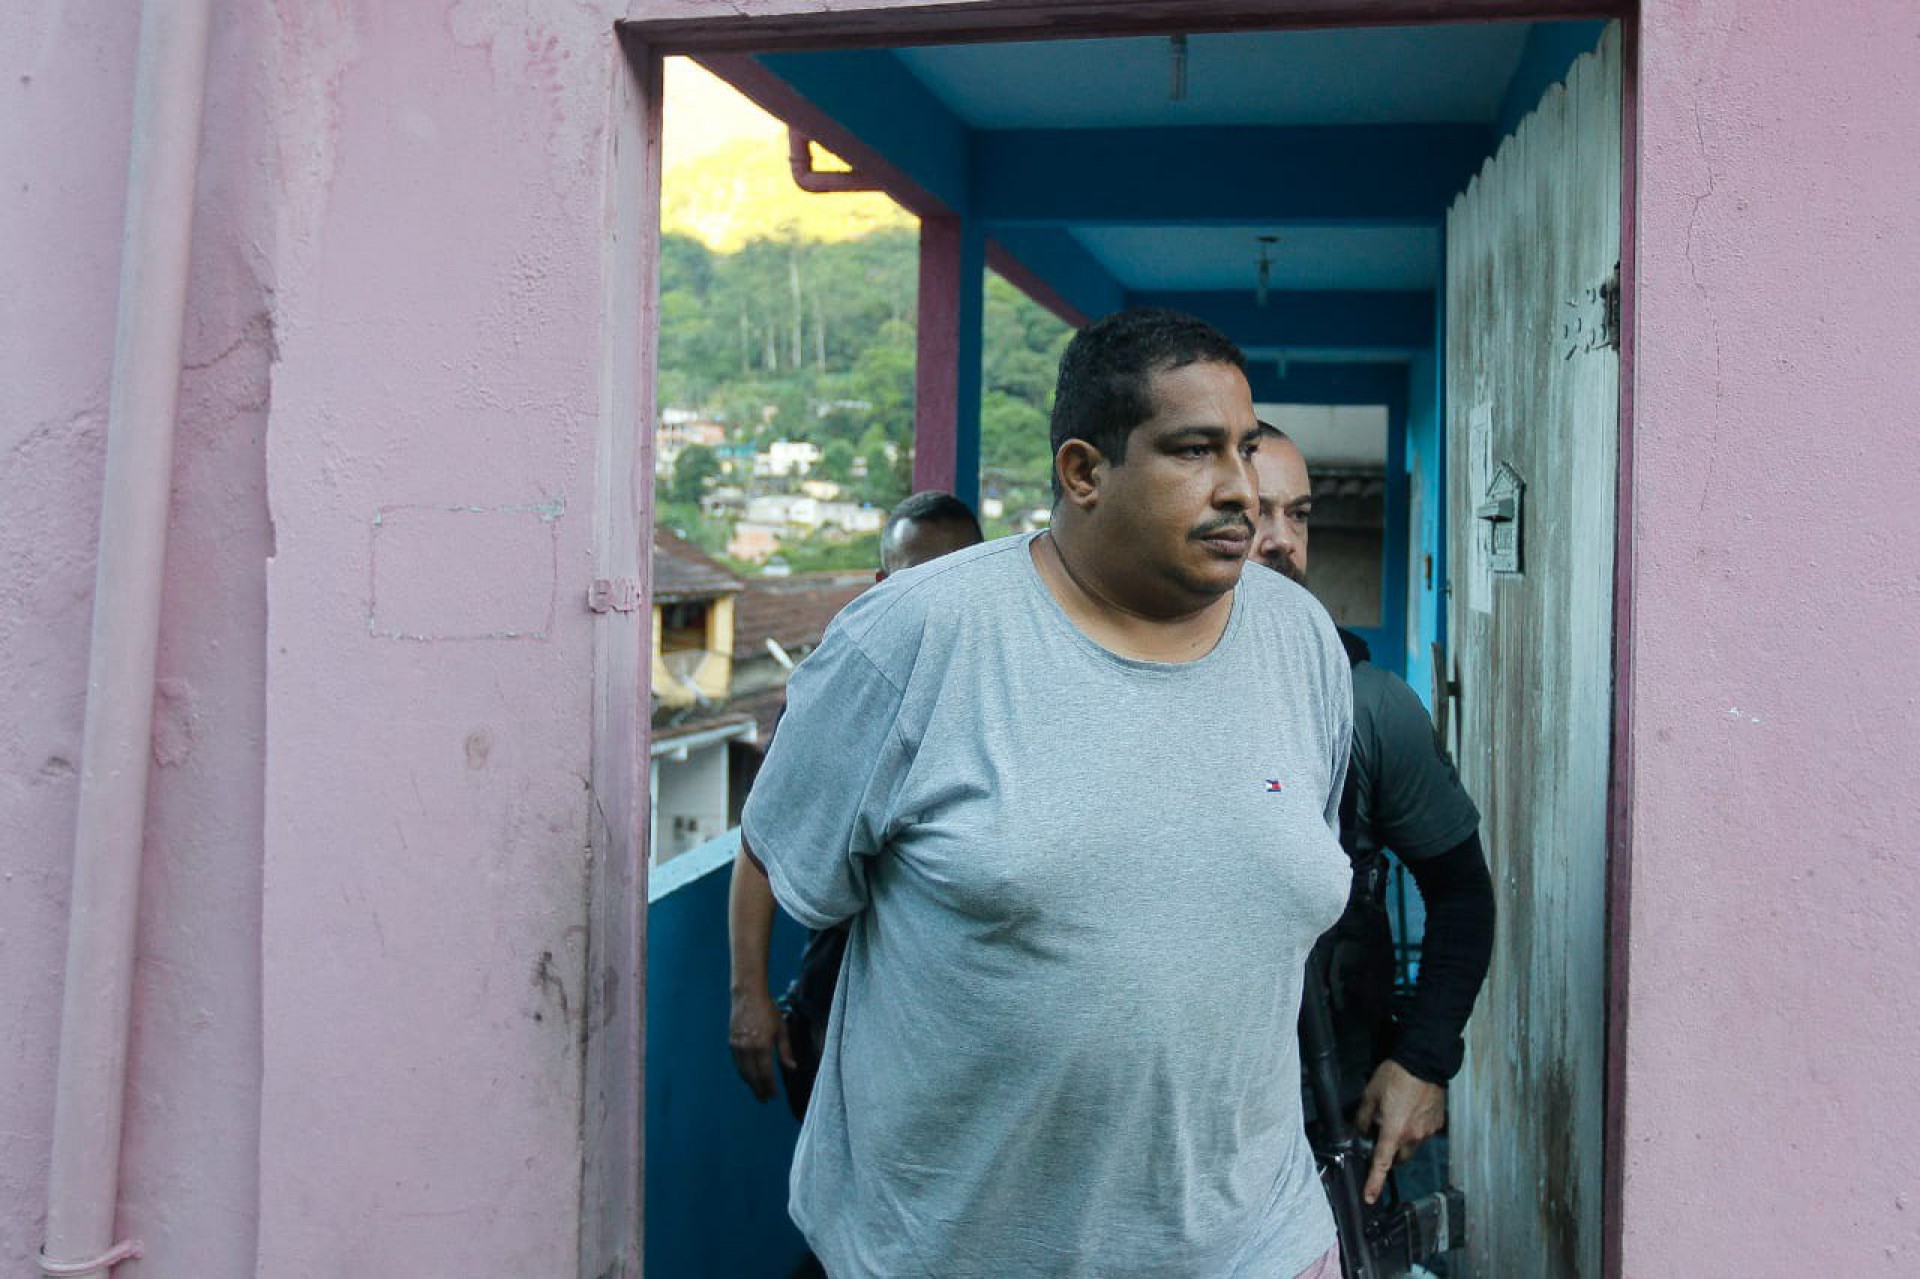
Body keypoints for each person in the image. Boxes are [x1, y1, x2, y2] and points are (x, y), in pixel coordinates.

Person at [737, 308, 1354, 1278]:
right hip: (950, 1249)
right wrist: (749, 994)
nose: (1242, 488)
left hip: (1256, 1244)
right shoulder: (915, 638)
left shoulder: (1300, 639)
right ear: (1083, 472)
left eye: (1244, 447)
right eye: (1194, 450)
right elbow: (790, 861)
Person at [1247, 426, 1496, 1208]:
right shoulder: (1137, 694)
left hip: (1329, 1126)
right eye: (1253, 513)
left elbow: (1462, 894)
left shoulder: (1368, 706)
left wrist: (1423, 1059)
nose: (1281, 540)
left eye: (1298, 514)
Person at [728, 491, 985, 1114]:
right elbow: (764, 841)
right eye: (916, 580)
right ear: (881, 586)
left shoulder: (1003, 688)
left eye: (955, 576)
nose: (936, 598)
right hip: (845, 997)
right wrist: (748, 997)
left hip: (955, 1025)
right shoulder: (850, 688)